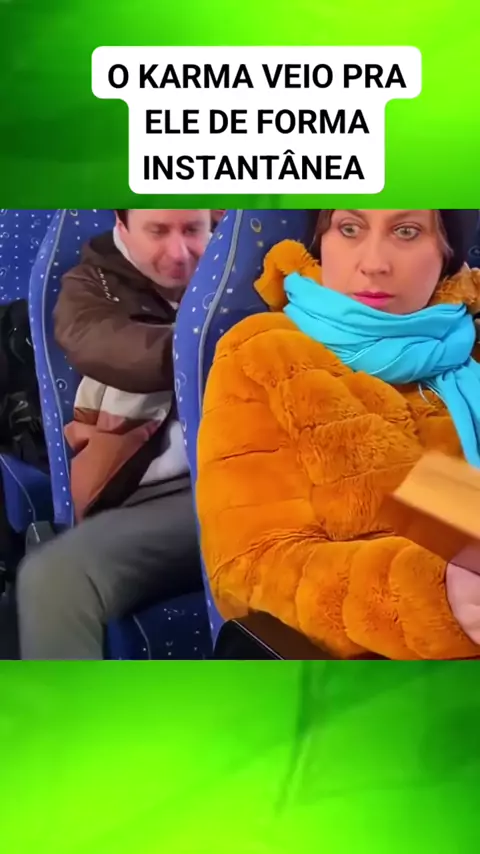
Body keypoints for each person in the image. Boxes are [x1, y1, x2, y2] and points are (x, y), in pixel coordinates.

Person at [196, 209, 480, 660]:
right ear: (321, 241)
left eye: (407, 232)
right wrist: (437, 596)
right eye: (349, 229)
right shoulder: (265, 354)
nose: (374, 263)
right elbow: (250, 571)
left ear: (446, 254)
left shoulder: (470, 350)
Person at [17, 209, 212, 660]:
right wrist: (221, 344)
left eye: (192, 230)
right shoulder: (88, 287)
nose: (179, 252)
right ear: (122, 228)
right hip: (163, 495)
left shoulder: (247, 273)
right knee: (54, 579)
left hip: (260, 481)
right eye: (158, 231)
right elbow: (110, 346)